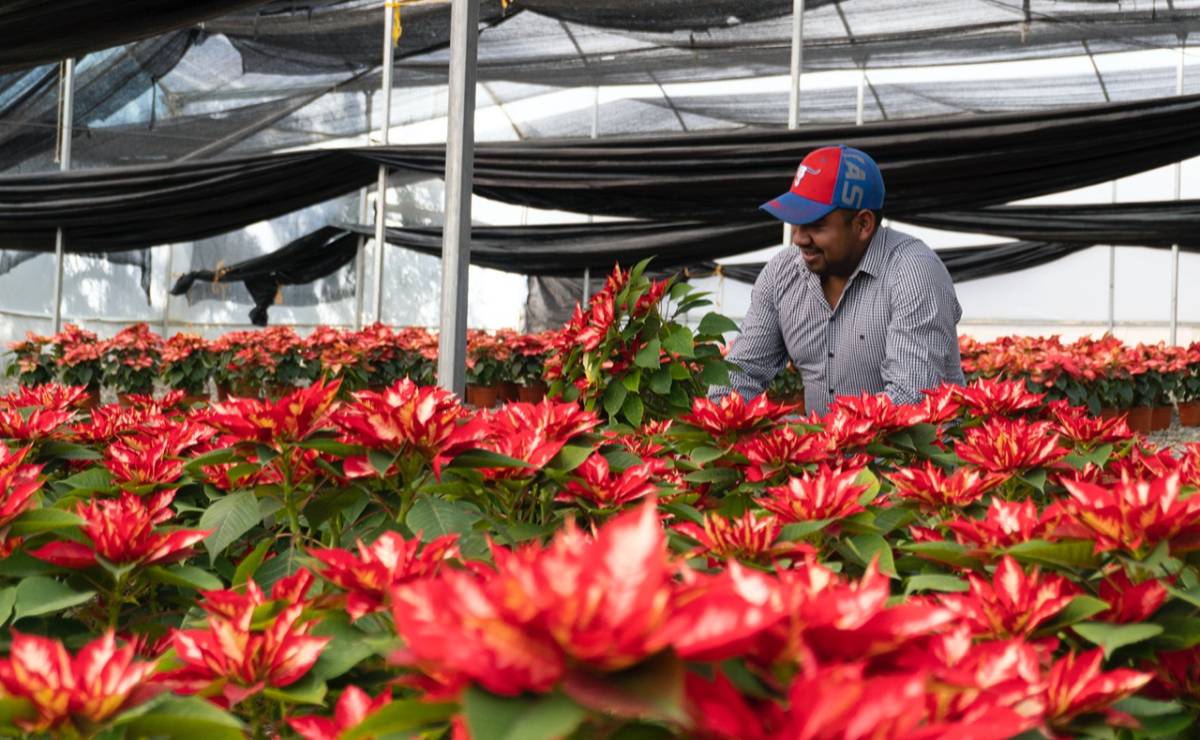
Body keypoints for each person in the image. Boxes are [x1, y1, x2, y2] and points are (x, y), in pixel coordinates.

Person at [712, 144, 964, 415]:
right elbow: (739, 376)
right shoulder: (781, 274)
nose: (798, 238)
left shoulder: (913, 272)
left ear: (863, 225)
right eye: (795, 222)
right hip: (825, 454)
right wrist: (727, 420)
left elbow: (912, 398)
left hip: (906, 455)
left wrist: (818, 439)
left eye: (816, 225)